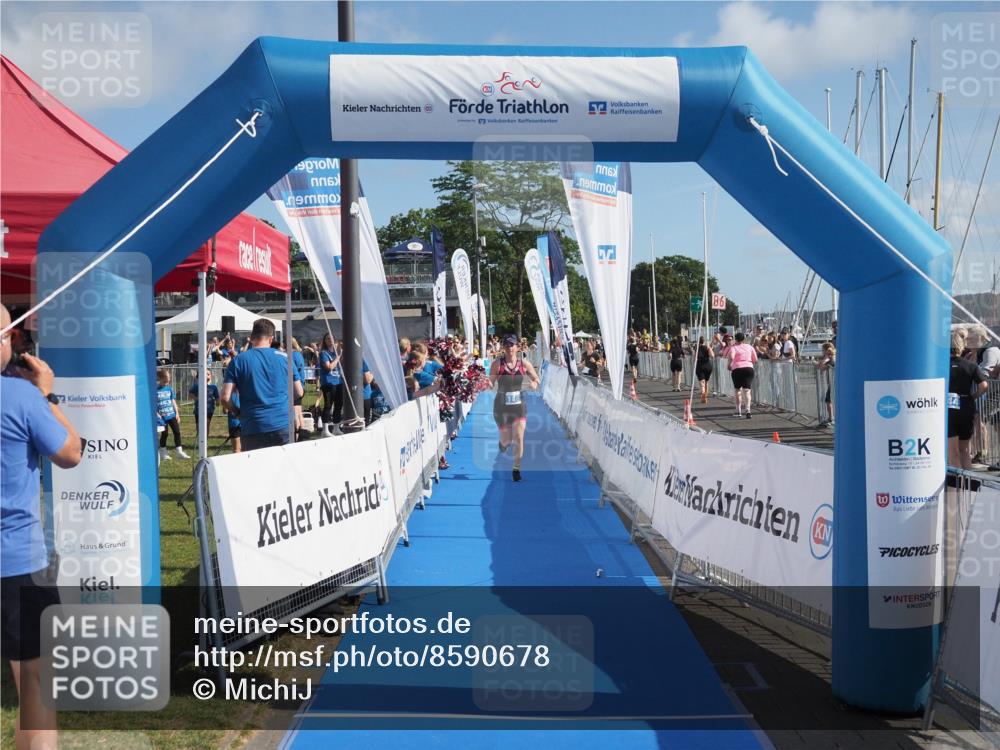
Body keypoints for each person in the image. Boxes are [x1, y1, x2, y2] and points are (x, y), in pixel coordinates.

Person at [1, 305, 82, 750]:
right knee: (36, 679)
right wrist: (46, 396)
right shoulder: (21, 397)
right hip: (17, 562)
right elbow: (72, 452)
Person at [220, 318, 303, 451]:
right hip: (283, 424)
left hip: (253, 425)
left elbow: (225, 398)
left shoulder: (238, 361)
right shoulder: (285, 358)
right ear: (271, 338)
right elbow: (299, 391)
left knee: (256, 470)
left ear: (252, 337)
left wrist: (237, 412)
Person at [490, 335, 540, 482]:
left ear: (517, 347)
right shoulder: (497, 364)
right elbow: (490, 382)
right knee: (506, 440)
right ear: (503, 348)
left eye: (512, 345)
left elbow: (536, 378)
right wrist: (484, 384)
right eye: (506, 345)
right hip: (501, 406)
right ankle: (502, 443)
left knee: (519, 437)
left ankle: (516, 469)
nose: (509, 348)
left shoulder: (524, 364)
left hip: (519, 406)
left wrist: (534, 384)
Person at [948, 330, 988, 470]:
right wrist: (973, 396)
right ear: (961, 347)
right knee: (964, 452)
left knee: (953, 454)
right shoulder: (970, 365)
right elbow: (984, 385)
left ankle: (957, 488)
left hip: (949, 409)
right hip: (966, 406)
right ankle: (967, 487)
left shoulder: (942, 366)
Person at [157, 369, 189, 460]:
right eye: (164, 382)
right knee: (165, 434)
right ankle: (163, 452)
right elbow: (153, 403)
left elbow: (173, 401)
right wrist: (157, 414)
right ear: (159, 379)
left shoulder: (169, 389)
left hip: (172, 415)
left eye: (168, 381)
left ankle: (179, 452)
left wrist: (177, 413)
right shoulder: (155, 390)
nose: (166, 383)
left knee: (177, 432)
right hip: (162, 417)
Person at [724, 331, 758, 419]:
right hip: (748, 368)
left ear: (736, 339)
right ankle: (748, 410)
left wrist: (729, 365)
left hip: (737, 368)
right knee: (747, 390)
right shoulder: (749, 347)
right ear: (744, 339)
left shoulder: (734, 348)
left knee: (737, 390)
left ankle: (738, 410)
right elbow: (755, 359)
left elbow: (731, 356)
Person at [317, 333, 342, 429]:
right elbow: (329, 367)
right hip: (328, 382)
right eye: (327, 339)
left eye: (331, 338)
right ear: (325, 341)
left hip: (339, 382)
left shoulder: (335, 353)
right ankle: (325, 429)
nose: (330, 340)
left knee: (338, 405)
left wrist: (339, 353)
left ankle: (336, 427)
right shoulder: (323, 353)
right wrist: (338, 357)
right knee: (328, 405)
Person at [188, 369, 220, 439]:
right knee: (198, 425)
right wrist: (196, 398)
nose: (208, 376)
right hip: (198, 409)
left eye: (209, 374)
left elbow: (217, 396)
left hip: (209, 409)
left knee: (207, 424)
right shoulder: (197, 386)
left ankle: (205, 439)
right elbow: (190, 393)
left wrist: (218, 402)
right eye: (206, 374)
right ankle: (199, 437)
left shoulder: (213, 387)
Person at [290, 338, 308, 441]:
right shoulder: (299, 354)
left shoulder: (291, 355)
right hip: (302, 385)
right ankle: (303, 433)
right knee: (299, 411)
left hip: (295, 387)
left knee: (295, 413)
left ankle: (296, 435)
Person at [817, 342, 836, 427]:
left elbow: (821, 367)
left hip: (833, 383)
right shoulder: (831, 360)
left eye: (823, 350)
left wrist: (825, 358)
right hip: (832, 382)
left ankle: (831, 418)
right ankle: (830, 418)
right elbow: (821, 367)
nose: (822, 352)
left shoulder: (831, 359)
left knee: (828, 400)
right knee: (828, 400)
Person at [695, 336, 714, 404]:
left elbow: (695, 358)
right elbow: (712, 356)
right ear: (704, 341)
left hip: (700, 366)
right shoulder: (707, 347)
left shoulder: (697, 349)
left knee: (702, 382)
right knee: (706, 381)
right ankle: (705, 395)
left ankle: (703, 393)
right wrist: (710, 349)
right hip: (708, 365)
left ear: (698, 342)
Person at [225, 389, 242, 453]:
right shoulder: (245, 391)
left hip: (234, 424)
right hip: (245, 423)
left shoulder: (228, 394)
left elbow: (225, 411)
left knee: (236, 449)